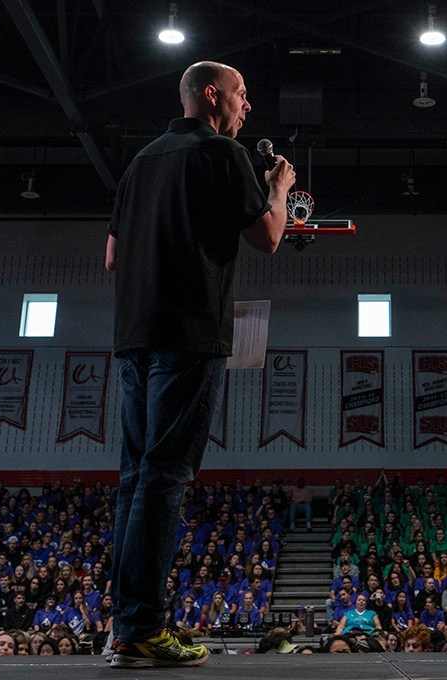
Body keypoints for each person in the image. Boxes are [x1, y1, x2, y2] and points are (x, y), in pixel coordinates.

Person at [104, 59, 294, 670]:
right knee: (165, 479)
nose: (247, 107)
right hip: (189, 335)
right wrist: (280, 189)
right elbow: (267, 237)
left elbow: (113, 256)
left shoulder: (139, 164)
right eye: (242, 95)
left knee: (137, 478)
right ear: (211, 97)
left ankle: (127, 628)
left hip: (134, 336)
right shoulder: (222, 154)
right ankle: (143, 631)